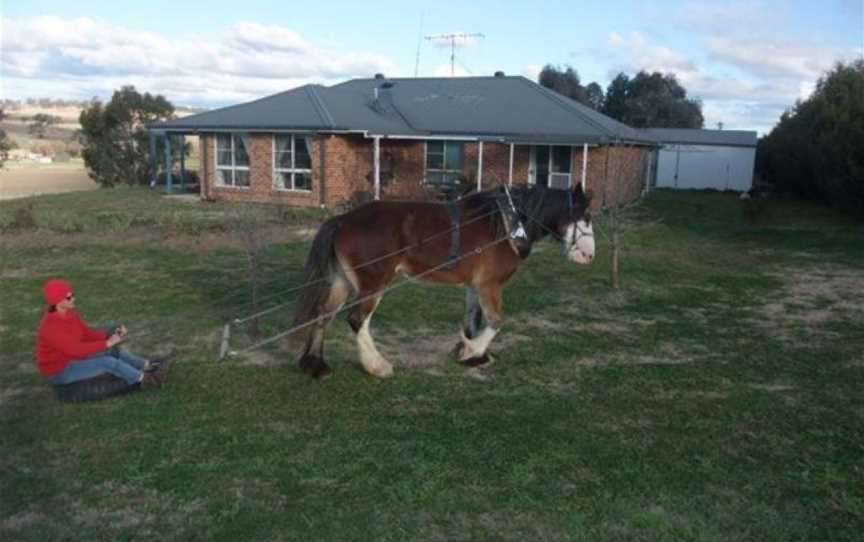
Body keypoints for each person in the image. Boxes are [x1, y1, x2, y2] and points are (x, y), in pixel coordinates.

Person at [35, 279, 170, 391]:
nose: (73, 299)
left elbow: (87, 334)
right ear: (58, 302)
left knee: (112, 351)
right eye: (69, 297)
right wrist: (106, 343)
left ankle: (147, 364)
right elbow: (76, 350)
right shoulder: (51, 328)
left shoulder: (71, 314)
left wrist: (109, 335)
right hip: (60, 371)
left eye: (73, 294)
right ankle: (146, 380)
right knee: (107, 362)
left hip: (72, 359)